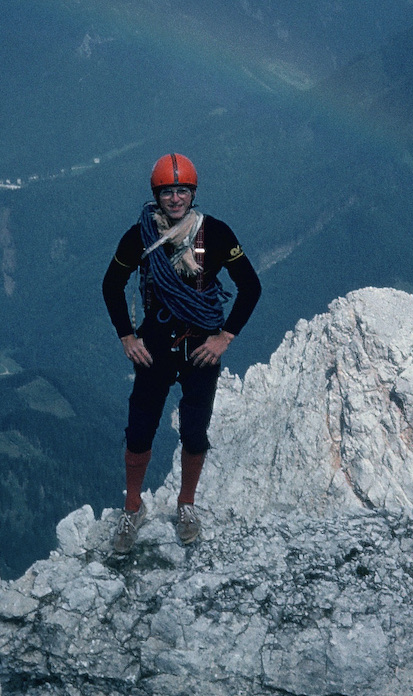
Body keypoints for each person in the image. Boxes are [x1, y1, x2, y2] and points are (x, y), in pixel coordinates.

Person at [101, 152, 261, 552]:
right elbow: (111, 283)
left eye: (182, 191)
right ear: (157, 195)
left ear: (193, 193)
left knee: (194, 431)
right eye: (168, 192)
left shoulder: (217, 234)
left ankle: (186, 503)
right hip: (154, 345)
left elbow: (251, 286)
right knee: (139, 429)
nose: (175, 199)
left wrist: (225, 337)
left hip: (201, 347)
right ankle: (132, 507)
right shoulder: (140, 235)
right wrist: (127, 337)